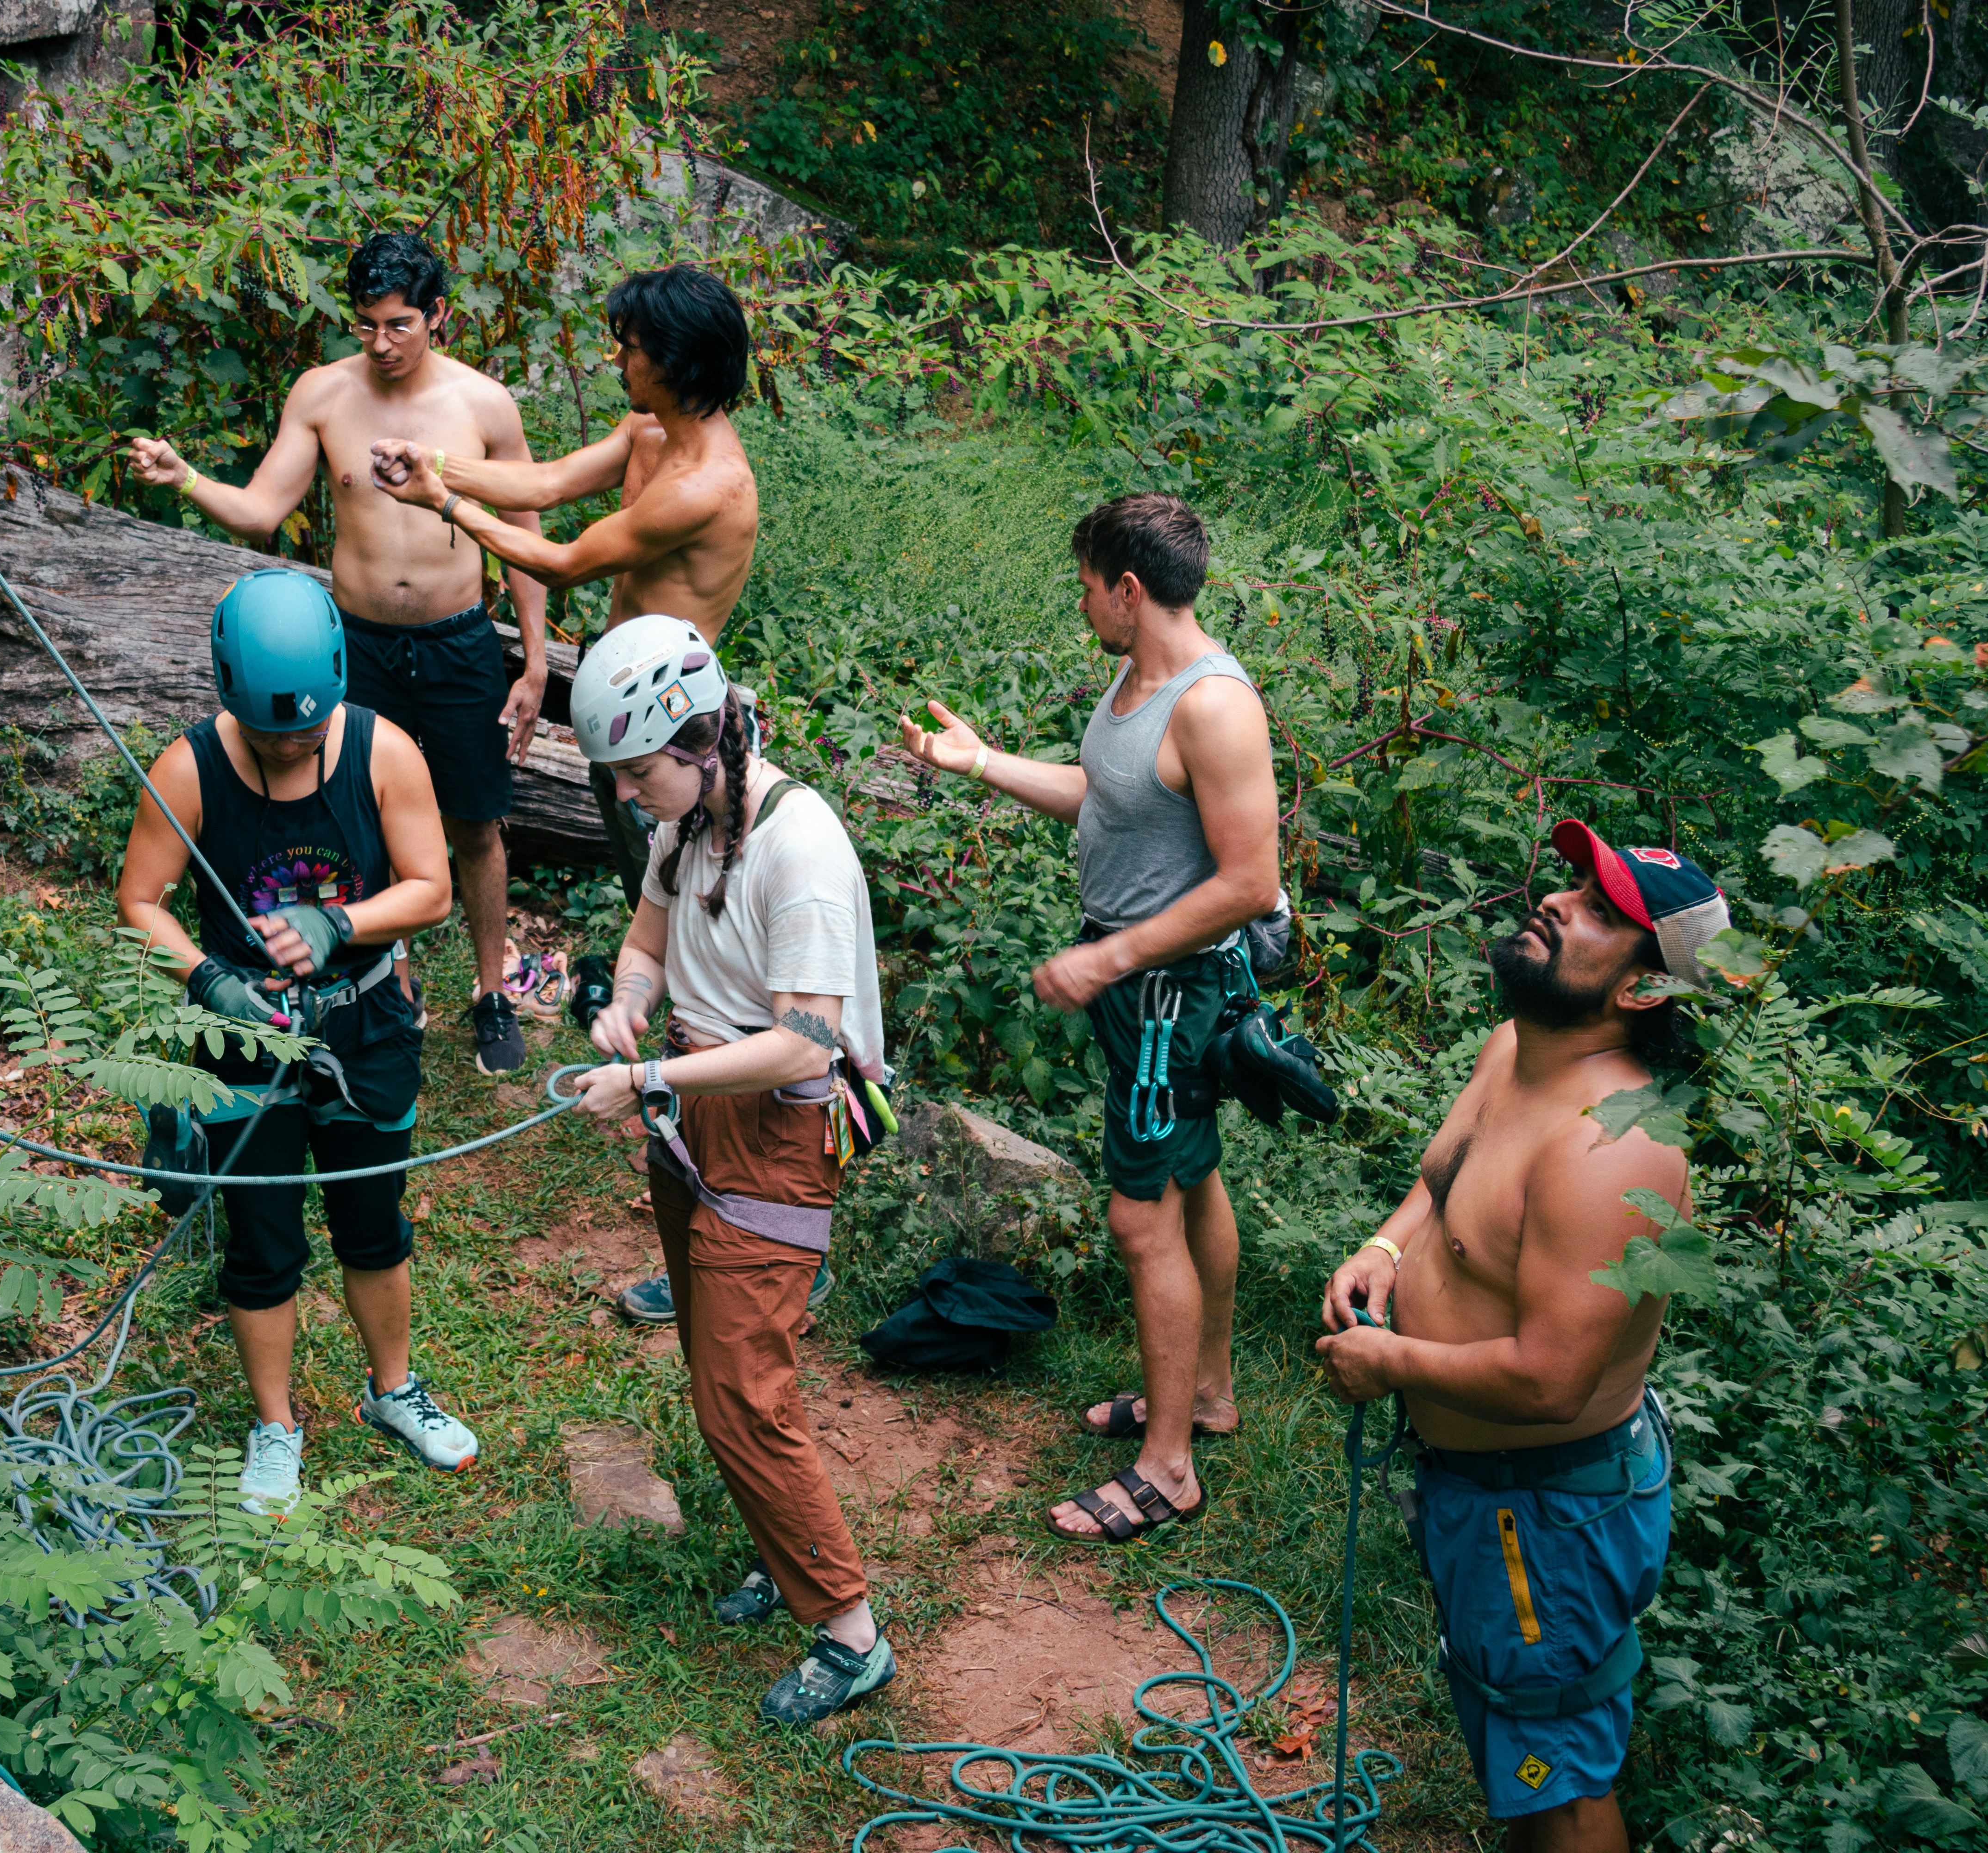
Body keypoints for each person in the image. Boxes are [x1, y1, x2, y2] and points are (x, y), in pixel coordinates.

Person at [1314, 821, 1725, 1852]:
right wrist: (1386, 1249)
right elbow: (1443, 1178)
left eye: (1599, 912)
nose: (1557, 902)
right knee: (1519, 1734)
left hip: (1545, 1513)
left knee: (1560, 1775)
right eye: (1575, 884)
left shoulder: (1613, 1148)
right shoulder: (1518, 1046)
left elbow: (1552, 1380)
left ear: (1643, 989)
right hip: (1483, 1493)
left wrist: (1390, 1360)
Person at [897, 491, 1278, 1544]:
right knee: (1195, 1179)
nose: (1081, 602)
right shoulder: (1136, 678)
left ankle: (1169, 1469)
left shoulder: (1214, 707)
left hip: (1167, 991)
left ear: (1129, 589)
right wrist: (981, 763)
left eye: (1087, 586)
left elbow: (1251, 882)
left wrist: (1110, 955)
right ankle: (1207, 1395)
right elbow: (1107, 797)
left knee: (1141, 1218)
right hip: (1142, 984)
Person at [560, 613, 898, 1726]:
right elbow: (647, 943)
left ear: (701, 740)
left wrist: (649, 1075)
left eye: (635, 773)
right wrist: (627, 1006)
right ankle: (780, 1547)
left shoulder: (800, 852)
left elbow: (806, 1043)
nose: (626, 797)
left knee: (742, 1390)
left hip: (773, 1130)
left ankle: (850, 1633)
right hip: (695, 1110)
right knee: (721, 1363)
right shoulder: (690, 818)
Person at [125, 231, 550, 1078]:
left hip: (460, 641)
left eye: (399, 325)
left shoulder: (485, 405)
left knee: (475, 822)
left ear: (437, 314)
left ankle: (491, 991)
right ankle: (392, 981)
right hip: (355, 646)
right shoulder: (324, 394)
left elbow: (524, 537)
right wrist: (185, 479)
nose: (381, 343)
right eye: (365, 326)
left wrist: (534, 662)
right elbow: (261, 512)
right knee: (363, 820)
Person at [115, 570, 477, 1512]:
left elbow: (432, 888)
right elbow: (141, 901)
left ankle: (393, 1389)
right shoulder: (189, 770)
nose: (289, 746)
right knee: (262, 1239)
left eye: (308, 733)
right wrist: (208, 979)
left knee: (373, 1221)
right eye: (271, 732)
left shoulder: (383, 752)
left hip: (365, 1024)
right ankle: (275, 1427)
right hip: (245, 1036)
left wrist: (339, 922)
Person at [364, 263, 761, 902]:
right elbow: (546, 483)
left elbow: (563, 563)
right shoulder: (650, 431)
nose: (617, 361)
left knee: (685, 898)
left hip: (674, 728)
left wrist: (443, 503)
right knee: (647, 887)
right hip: (625, 709)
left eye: (630, 349)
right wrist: (433, 462)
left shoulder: (705, 488)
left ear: (674, 360)